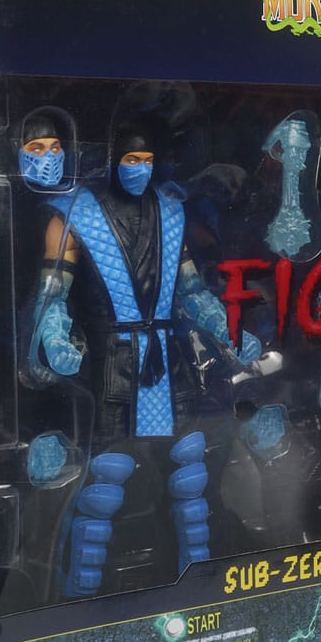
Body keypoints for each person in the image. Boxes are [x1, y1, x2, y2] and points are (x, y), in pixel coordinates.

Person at [28, 120, 259, 597]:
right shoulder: (74, 215)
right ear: (113, 158)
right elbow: (52, 294)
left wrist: (229, 331)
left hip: (166, 363)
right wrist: (53, 338)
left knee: (191, 478)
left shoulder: (171, 214)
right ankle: (79, 600)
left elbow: (192, 292)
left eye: (147, 161)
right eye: (132, 160)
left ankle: (197, 589)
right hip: (112, 364)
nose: (140, 169)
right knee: (103, 484)